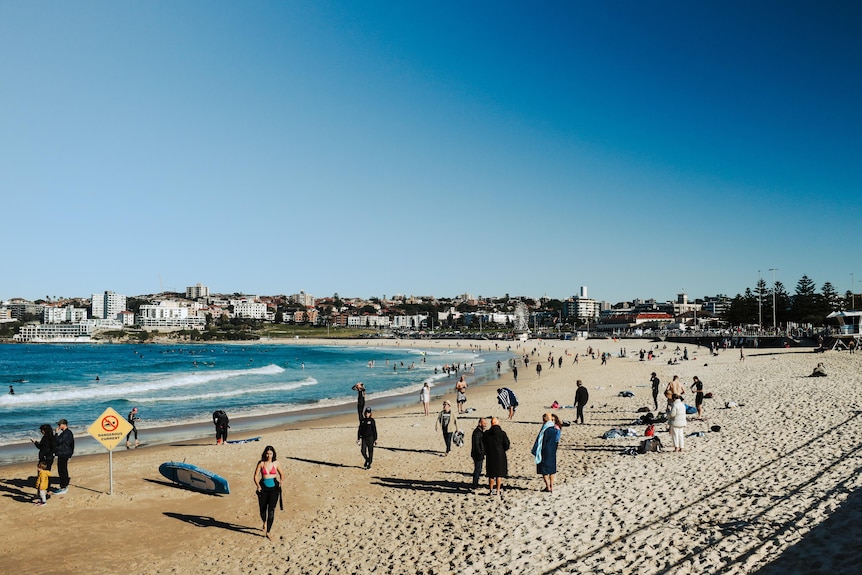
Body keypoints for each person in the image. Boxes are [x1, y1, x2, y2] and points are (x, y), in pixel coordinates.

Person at [253, 445, 284, 540]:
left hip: (274, 488)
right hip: (263, 488)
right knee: (263, 510)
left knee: (271, 511)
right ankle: (264, 522)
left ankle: (268, 532)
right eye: (267, 453)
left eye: (270, 453)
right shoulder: (261, 463)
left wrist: (281, 481)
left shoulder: (276, 463)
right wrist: (258, 486)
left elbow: (282, 474)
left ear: (273, 454)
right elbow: (255, 476)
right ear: (264, 454)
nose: (268, 455)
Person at [531, 413, 560, 493]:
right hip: (552, 450)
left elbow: (542, 441)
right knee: (551, 469)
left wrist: (538, 450)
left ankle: (548, 486)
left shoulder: (545, 428)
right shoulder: (554, 428)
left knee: (544, 469)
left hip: (545, 450)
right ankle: (551, 485)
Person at [482, 417, 510, 496]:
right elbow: (507, 445)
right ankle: (497, 490)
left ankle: (491, 490)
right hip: (500, 455)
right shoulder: (502, 433)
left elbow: (483, 443)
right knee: (499, 474)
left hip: (490, 455)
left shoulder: (487, 433)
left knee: (491, 474)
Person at [53, 419, 74, 494]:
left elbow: (58, 441)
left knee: (62, 470)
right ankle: (63, 486)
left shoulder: (67, 433)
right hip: (63, 453)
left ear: (64, 424)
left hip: (64, 454)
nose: (58, 426)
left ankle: (64, 487)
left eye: (59, 424)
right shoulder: (66, 433)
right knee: (61, 469)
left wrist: (56, 433)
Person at [470, 418, 487, 489]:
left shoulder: (480, 432)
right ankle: (474, 484)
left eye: (486, 423)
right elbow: (476, 445)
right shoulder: (476, 432)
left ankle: (475, 483)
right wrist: (481, 453)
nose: (485, 425)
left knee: (479, 470)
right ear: (480, 424)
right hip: (477, 454)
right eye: (484, 423)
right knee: (477, 470)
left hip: (479, 454)